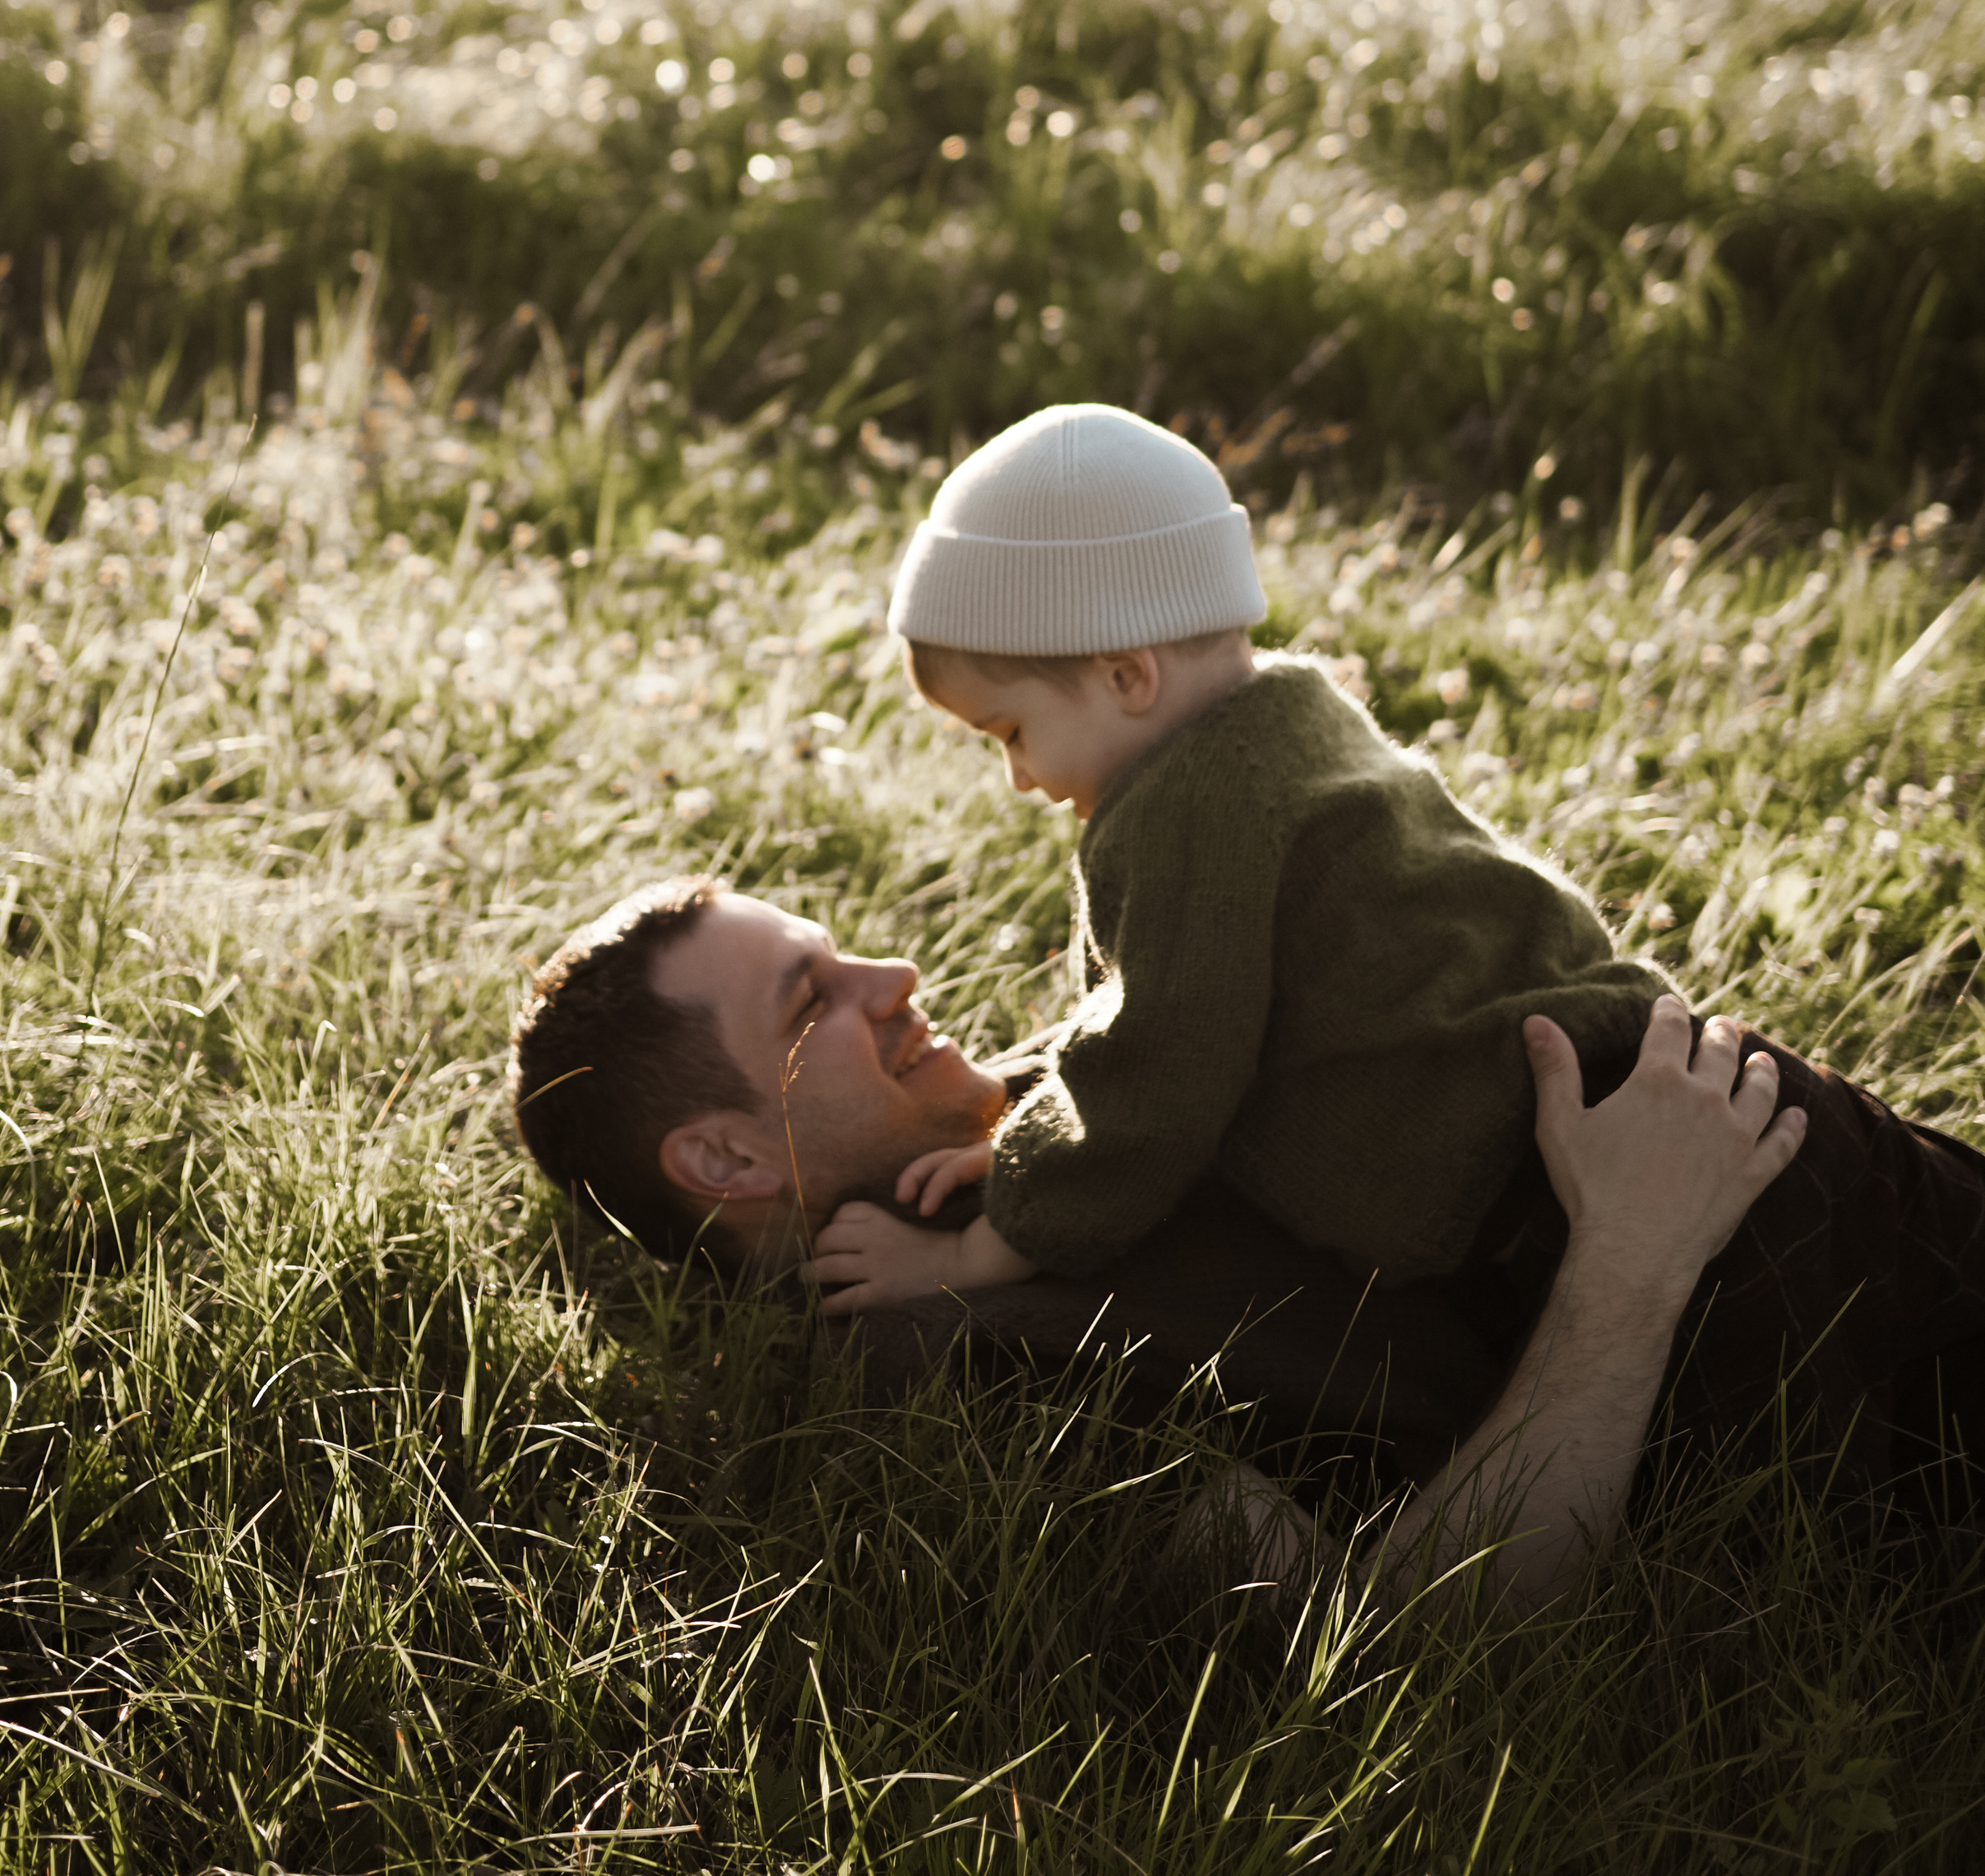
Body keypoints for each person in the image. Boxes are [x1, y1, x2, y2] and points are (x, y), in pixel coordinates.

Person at [508, 880, 1985, 1600]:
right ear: (724, 1155)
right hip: (1898, 1381)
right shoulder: (945, 1370)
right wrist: (1639, 1253)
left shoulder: (1031, 1115)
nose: (895, 973)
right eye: (811, 998)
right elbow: (1399, 1638)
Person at [810, 401, 1664, 1313]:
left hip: (1509, 1154)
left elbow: (1157, 1073)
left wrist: (991, 1243)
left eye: (1011, 731)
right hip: (1588, 1066)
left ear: (1126, 676)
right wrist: (1040, 1142)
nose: (1018, 776)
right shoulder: (1290, 721)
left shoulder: (1190, 804)